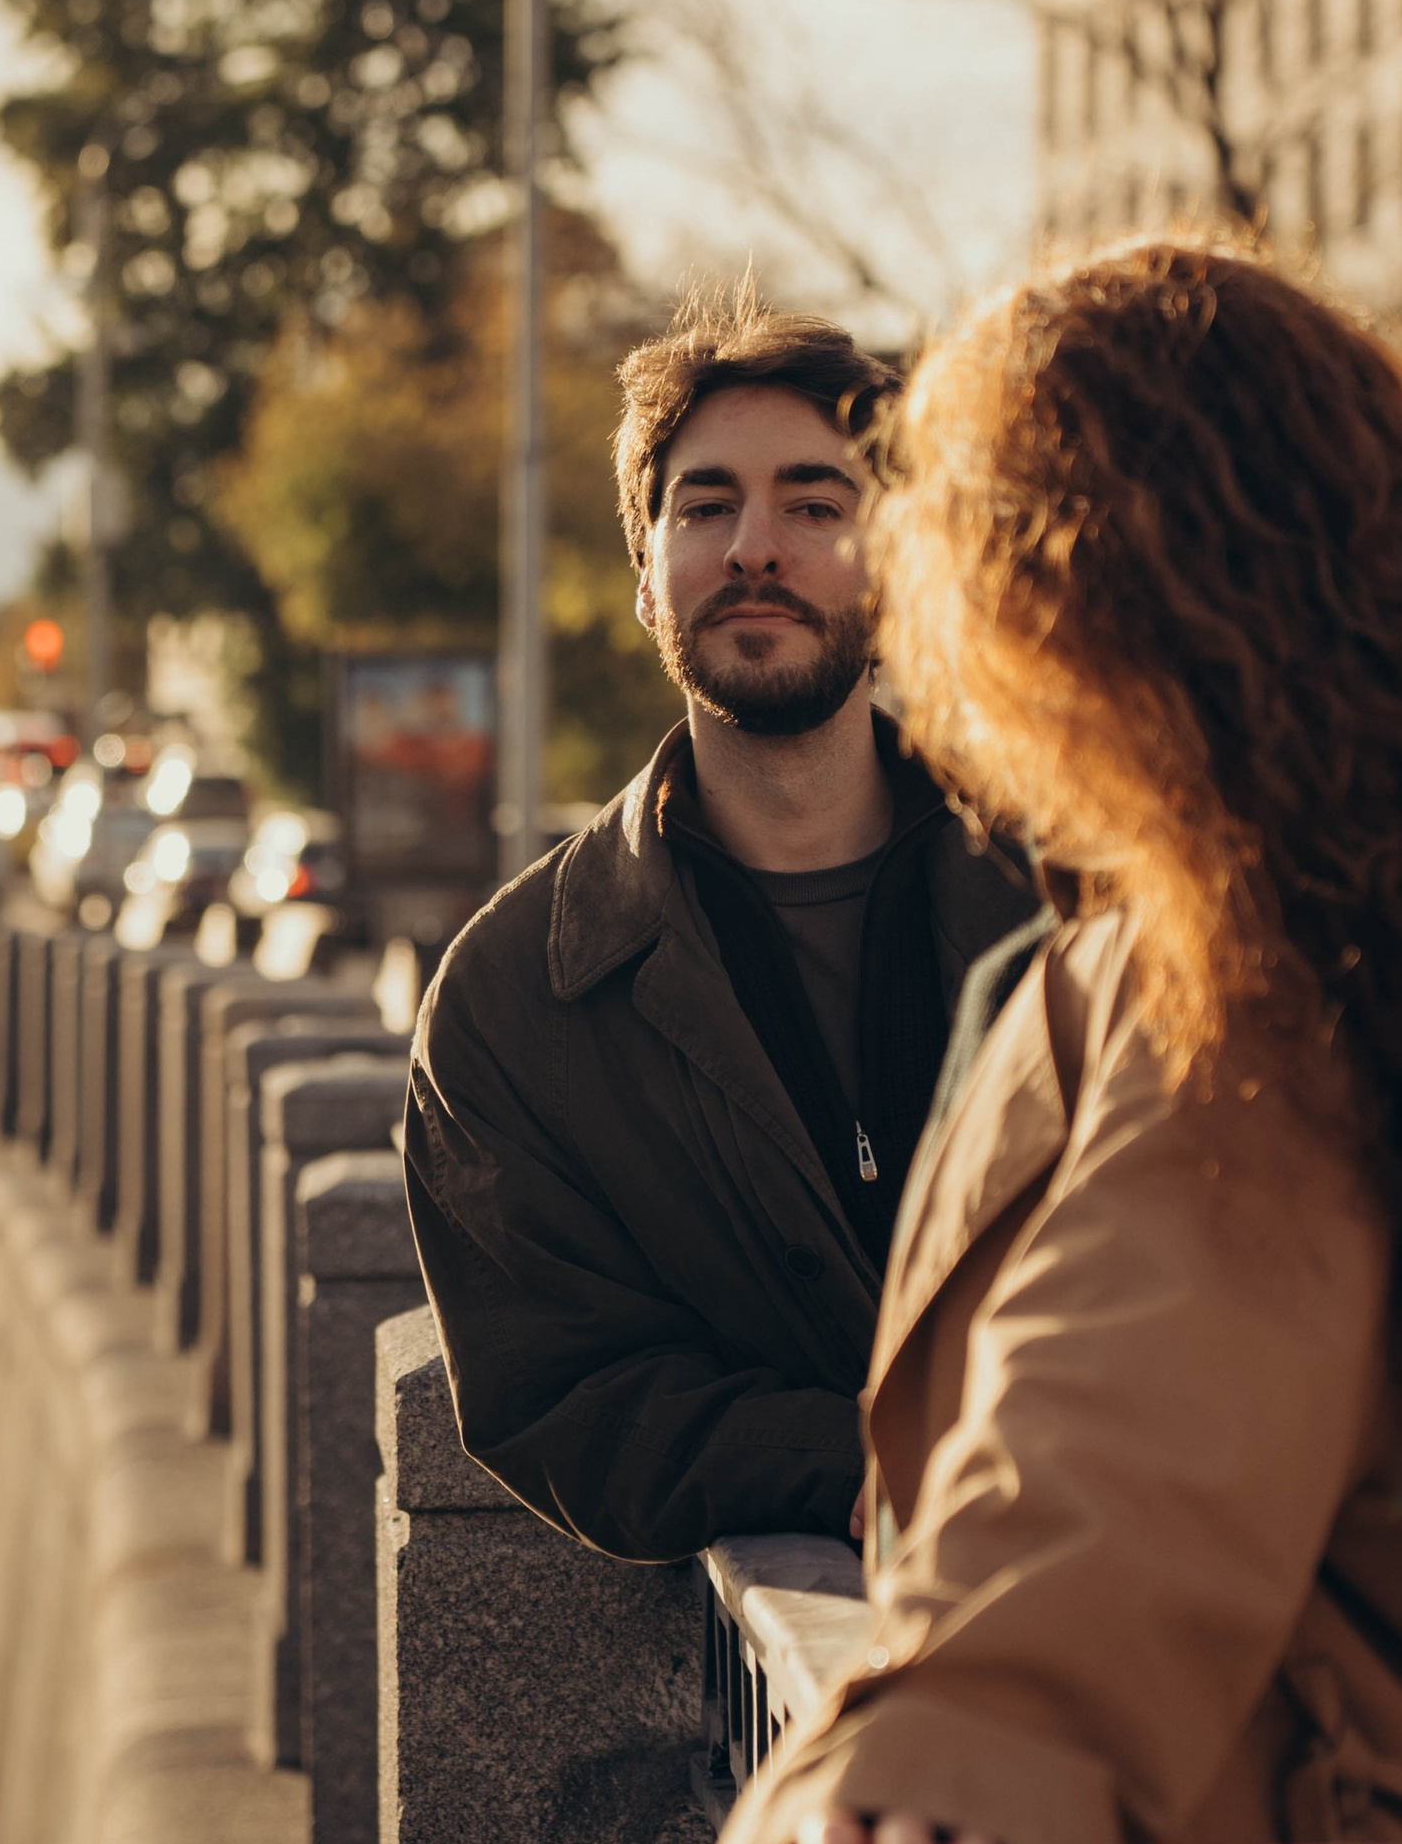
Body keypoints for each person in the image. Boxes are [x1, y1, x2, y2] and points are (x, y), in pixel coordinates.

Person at [715, 242, 1402, 1844]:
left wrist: (974, 1724)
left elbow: (1139, 1400)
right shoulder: (1366, 924)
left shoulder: (1231, 985)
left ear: (1067, 601)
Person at [404, 292, 1039, 1559]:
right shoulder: (512, 999)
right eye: (706, 508)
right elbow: (562, 1401)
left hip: (1131, 1640)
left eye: (817, 505)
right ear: (647, 575)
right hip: (777, 1719)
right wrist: (865, 1458)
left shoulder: (1077, 899)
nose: (758, 549)